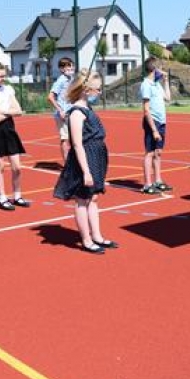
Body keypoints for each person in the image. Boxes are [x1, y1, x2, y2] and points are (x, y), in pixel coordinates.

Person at [53, 71, 118, 254]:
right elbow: (76, 144)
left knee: (93, 197)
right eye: (97, 89)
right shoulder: (76, 112)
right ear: (86, 90)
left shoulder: (88, 108)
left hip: (96, 156)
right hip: (85, 158)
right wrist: (86, 171)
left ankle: (97, 236)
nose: (100, 92)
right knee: (82, 199)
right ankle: (86, 240)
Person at [0, 61, 29, 211]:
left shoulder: (8, 89)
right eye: (0, 76)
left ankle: (17, 196)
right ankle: (2, 197)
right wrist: (8, 112)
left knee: (17, 167)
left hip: (9, 129)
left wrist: (2, 111)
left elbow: (19, 110)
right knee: (0, 165)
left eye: (4, 76)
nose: (3, 78)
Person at [139, 56, 172, 194]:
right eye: (161, 68)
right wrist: (154, 130)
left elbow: (168, 98)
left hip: (162, 122)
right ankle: (147, 184)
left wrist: (166, 82)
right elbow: (146, 110)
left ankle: (158, 180)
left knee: (158, 152)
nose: (162, 71)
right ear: (154, 69)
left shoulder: (157, 84)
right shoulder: (146, 85)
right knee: (150, 153)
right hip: (152, 122)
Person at [47, 57, 75, 163]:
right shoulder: (60, 81)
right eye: (68, 67)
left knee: (74, 138)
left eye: (71, 67)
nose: (71, 69)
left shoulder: (71, 79)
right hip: (62, 114)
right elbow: (50, 97)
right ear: (61, 69)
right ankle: (67, 164)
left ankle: (73, 161)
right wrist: (60, 110)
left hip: (71, 112)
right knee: (65, 138)